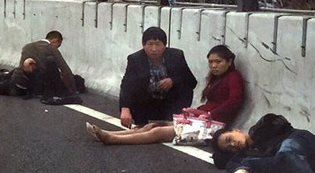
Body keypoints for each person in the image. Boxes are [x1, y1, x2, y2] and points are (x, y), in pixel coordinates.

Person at [88, 45, 244, 145]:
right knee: (152, 125)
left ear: (229, 62)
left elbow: (234, 101)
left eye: (218, 62)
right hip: (202, 118)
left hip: (212, 124)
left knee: (158, 132)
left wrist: (209, 114)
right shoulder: (216, 78)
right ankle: (110, 133)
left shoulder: (233, 77)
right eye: (211, 62)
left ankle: (113, 139)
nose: (214, 66)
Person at [211, 113, 315, 173]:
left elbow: (275, 120)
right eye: (229, 148)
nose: (233, 144)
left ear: (236, 130)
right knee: (239, 162)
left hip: (303, 141)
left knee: (286, 151)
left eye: (230, 139)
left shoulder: (259, 129)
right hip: (288, 162)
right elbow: (221, 160)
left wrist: (254, 138)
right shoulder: (245, 154)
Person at [118, 26, 197, 128]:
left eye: (158, 45)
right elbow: (127, 86)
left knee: (184, 88)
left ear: (165, 45)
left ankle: (177, 118)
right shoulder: (135, 59)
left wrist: (173, 80)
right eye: (150, 44)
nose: (154, 49)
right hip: (146, 103)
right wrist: (125, 109)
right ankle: (141, 122)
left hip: (170, 102)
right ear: (143, 45)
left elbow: (191, 81)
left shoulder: (176, 56)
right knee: (136, 87)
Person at [9, 30, 81, 103]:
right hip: (37, 86)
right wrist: (73, 92)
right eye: (58, 46)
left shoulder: (27, 46)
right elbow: (65, 70)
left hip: (17, 82)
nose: (57, 48)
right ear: (55, 41)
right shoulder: (51, 49)